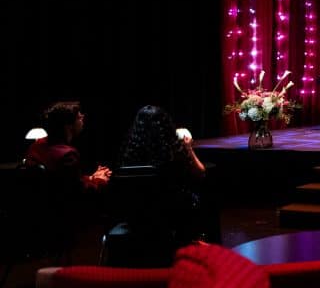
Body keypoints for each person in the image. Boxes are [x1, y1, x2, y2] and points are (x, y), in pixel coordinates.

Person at [118, 105, 208, 248]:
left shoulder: (129, 153)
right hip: (171, 213)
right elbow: (200, 172)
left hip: (136, 215)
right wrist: (188, 148)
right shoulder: (173, 153)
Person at [24, 101, 111, 193]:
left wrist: (92, 177)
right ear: (68, 125)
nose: (82, 119)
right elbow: (77, 192)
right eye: (79, 117)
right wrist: (100, 180)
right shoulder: (67, 155)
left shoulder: (36, 145)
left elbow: (62, 180)